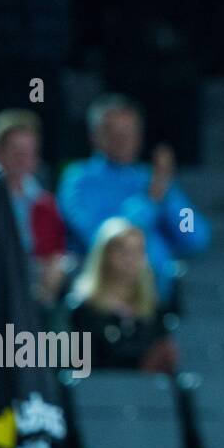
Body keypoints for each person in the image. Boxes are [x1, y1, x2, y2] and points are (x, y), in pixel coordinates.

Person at [58, 95, 210, 300]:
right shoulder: (79, 179)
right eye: (114, 133)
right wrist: (150, 200)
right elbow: (103, 238)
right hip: (103, 300)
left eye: (130, 132)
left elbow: (195, 236)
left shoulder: (152, 178)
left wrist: (170, 198)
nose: (124, 140)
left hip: (155, 300)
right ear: (95, 136)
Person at [67, 217, 177, 374]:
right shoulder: (83, 310)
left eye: (138, 252)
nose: (130, 259)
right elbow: (77, 367)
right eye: (122, 251)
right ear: (104, 255)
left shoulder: (155, 311)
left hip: (146, 394)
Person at [0, 109, 70, 306]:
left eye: (29, 152)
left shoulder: (44, 203)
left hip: (33, 288)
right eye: (16, 152)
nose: (23, 159)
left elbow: (54, 251)